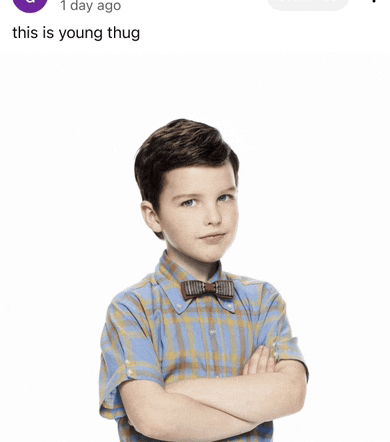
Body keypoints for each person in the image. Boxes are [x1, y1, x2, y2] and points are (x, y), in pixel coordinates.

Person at [99, 119, 308, 442]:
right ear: (153, 215)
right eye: (189, 202)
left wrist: (181, 392)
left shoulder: (262, 300)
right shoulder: (132, 308)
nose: (214, 216)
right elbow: (155, 418)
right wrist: (254, 405)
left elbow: (291, 393)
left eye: (225, 197)